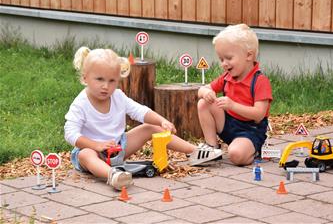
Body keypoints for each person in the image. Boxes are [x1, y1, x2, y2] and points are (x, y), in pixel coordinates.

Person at [64, 47, 222, 190]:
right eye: (99, 79)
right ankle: (113, 175)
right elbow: (70, 133)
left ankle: (194, 152)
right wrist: (96, 145)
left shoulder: (118, 96)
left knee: (150, 128)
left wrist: (161, 120)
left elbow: (139, 111)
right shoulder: (81, 103)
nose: (106, 86)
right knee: (85, 154)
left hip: (119, 147)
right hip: (93, 151)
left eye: (112, 81)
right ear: (85, 78)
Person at [197, 24, 273, 166]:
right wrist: (206, 92)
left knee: (236, 155)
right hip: (228, 124)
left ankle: (252, 150)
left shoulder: (260, 81)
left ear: (248, 55)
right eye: (221, 59)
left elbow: (259, 114)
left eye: (229, 58)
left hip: (250, 130)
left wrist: (232, 105)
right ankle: (212, 148)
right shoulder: (227, 77)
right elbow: (202, 89)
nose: (224, 64)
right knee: (203, 103)